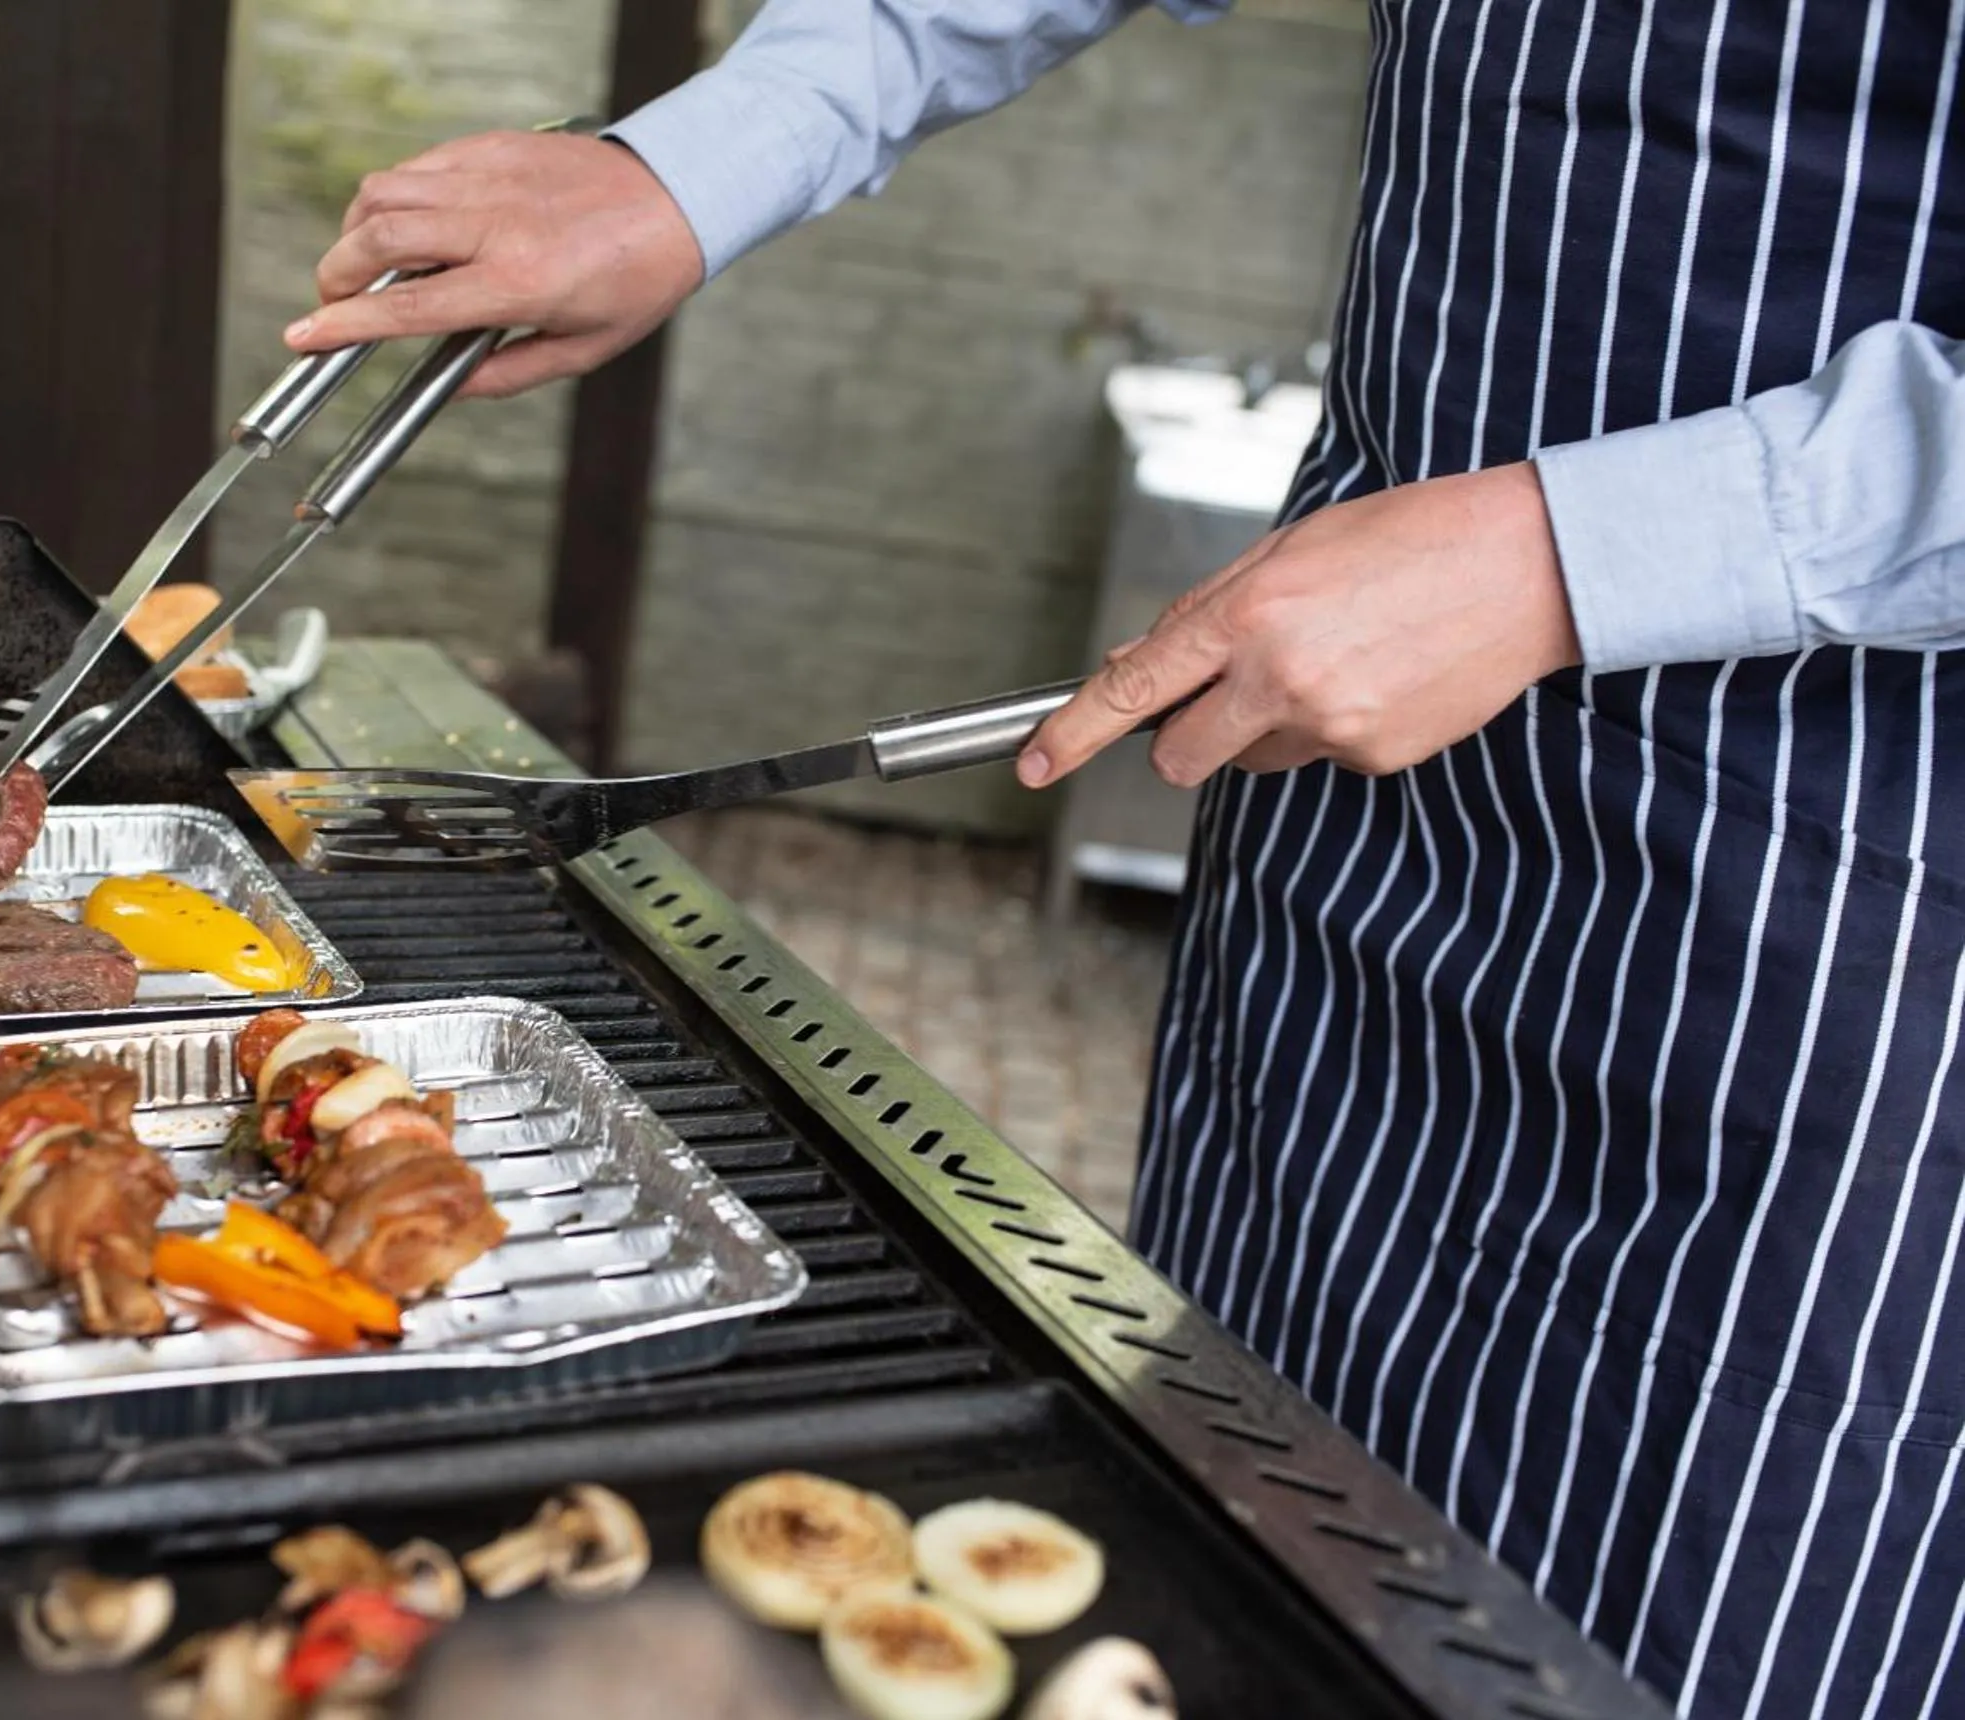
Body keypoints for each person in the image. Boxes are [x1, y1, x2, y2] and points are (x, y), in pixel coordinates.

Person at [281, 5, 1965, 1715]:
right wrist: (696, 161)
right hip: (1335, 782)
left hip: (1829, 918)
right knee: (1218, 1555)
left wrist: (1564, 554)